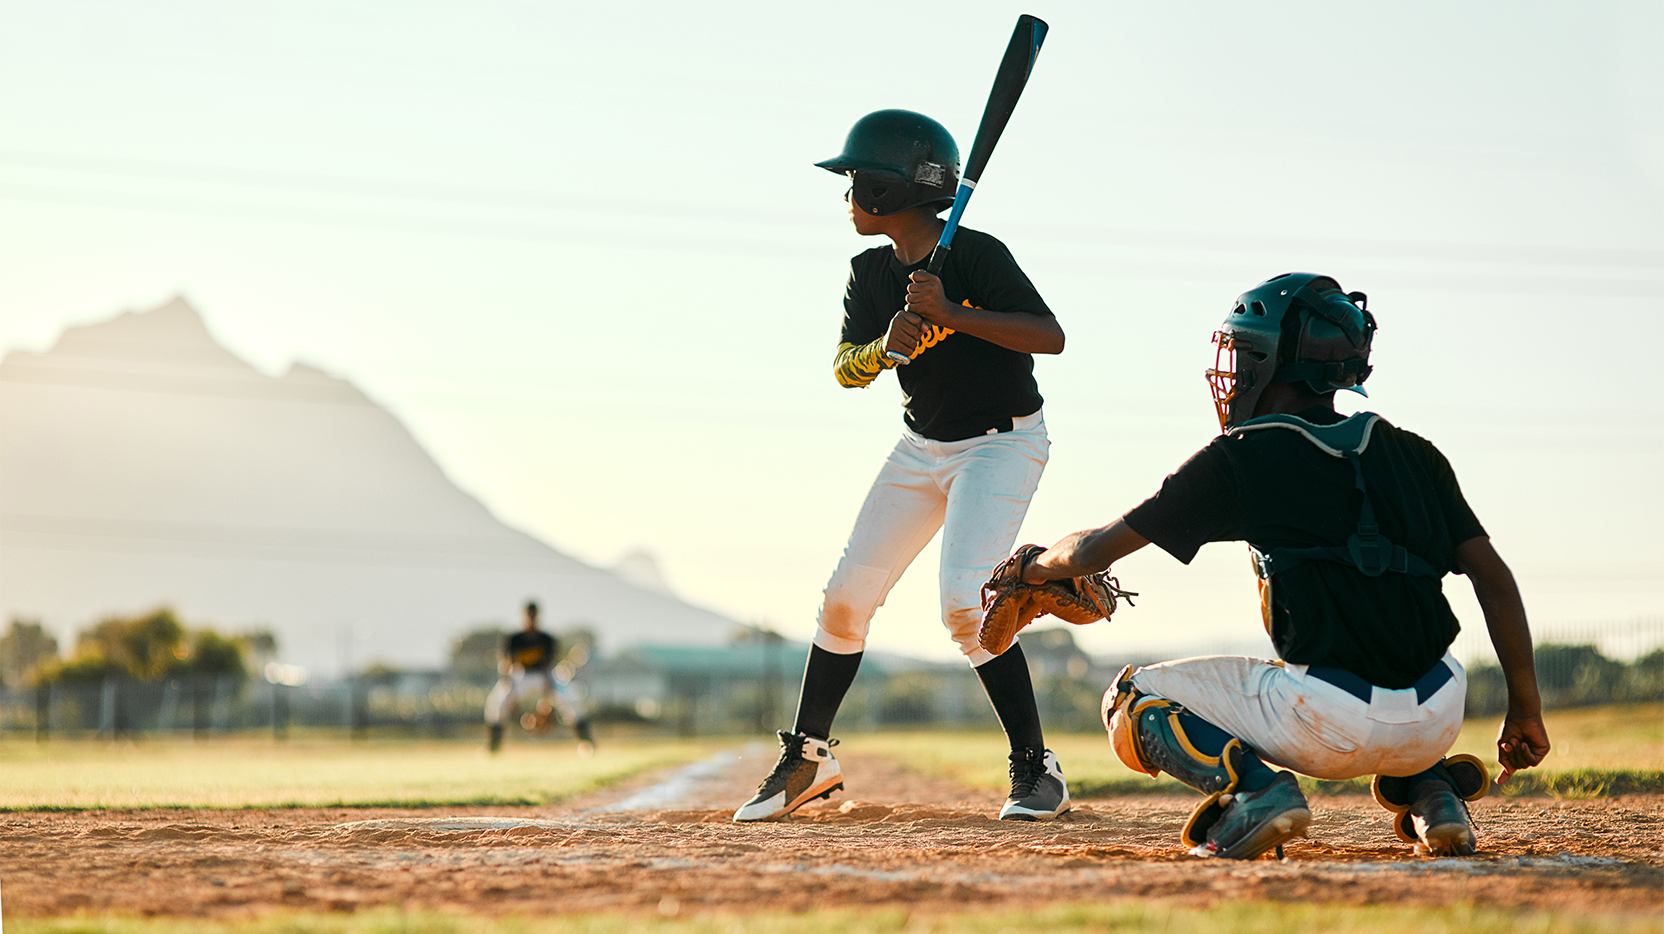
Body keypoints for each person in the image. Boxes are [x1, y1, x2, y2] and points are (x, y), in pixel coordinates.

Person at [1016, 273, 1550, 859]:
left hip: (1327, 720)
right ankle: (1434, 788)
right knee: (1378, 667)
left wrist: (1036, 566)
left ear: (1275, 362)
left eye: (1244, 353)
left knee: (1129, 698)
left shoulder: (1242, 456)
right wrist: (1525, 709)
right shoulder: (1415, 453)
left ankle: (1255, 791)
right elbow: (1495, 582)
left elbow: (1094, 551)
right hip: (1441, 709)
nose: (1234, 369)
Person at [733, 109, 1070, 823]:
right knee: (846, 598)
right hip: (922, 447)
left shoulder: (977, 257)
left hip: (1003, 443)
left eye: (856, 180)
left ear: (889, 191)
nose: (848, 194)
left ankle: (1038, 769)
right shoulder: (869, 273)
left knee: (962, 604)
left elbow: (1050, 336)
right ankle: (810, 759)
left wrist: (956, 311)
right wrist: (886, 347)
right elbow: (843, 371)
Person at [485, 601, 594, 755]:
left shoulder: (547, 639)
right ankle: (492, 747)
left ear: (538, 616)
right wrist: (510, 688)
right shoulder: (514, 639)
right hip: (520, 675)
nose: (531, 618)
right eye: (528, 615)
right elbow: (506, 665)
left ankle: (586, 743)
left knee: (571, 697)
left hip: (545, 675)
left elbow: (549, 666)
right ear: (523, 616)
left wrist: (547, 697)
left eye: (534, 615)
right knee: (498, 701)